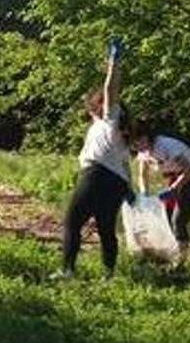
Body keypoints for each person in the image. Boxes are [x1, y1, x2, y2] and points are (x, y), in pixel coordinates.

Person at [54, 37, 134, 281]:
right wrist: (129, 188)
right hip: (117, 183)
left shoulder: (110, 120)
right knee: (106, 229)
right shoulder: (119, 132)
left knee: (71, 221)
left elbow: (110, 88)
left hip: (96, 175)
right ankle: (108, 276)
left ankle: (66, 271)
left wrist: (113, 60)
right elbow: (124, 164)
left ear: (98, 107)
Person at [130, 119, 190, 252]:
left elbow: (188, 169)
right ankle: (180, 249)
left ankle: (180, 261)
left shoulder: (165, 145)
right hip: (175, 178)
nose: (137, 146)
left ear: (146, 136)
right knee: (167, 216)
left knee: (178, 219)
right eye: (133, 144)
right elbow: (142, 174)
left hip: (186, 177)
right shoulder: (143, 151)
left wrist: (174, 187)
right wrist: (144, 192)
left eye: (139, 141)